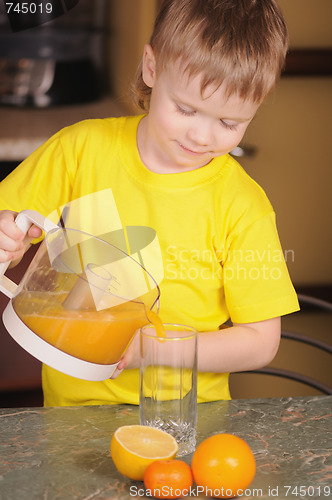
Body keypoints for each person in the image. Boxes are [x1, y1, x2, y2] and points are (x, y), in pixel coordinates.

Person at [0, 0, 299, 406]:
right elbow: (10, 223)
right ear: (151, 67)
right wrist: (6, 236)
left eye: (229, 123)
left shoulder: (243, 206)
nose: (202, 137)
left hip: (189, 424)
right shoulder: (80, 149)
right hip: (71, 415)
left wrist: (153, 349)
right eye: (186, 109)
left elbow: (260, 343)